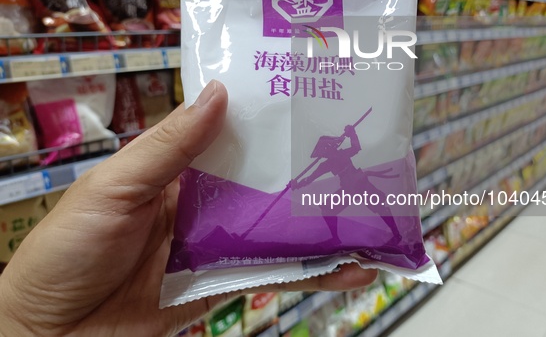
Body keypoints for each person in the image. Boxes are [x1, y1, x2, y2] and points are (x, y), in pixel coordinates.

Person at [0, 80, 377, 336]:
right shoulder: (326, 160)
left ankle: (371, 229)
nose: (324, 151)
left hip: (353, 183)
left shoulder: (338, 153)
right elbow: (311, 178)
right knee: (329, 216)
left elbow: (354, 151)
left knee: (350, 209)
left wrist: (24, 325)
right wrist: (22, 323)